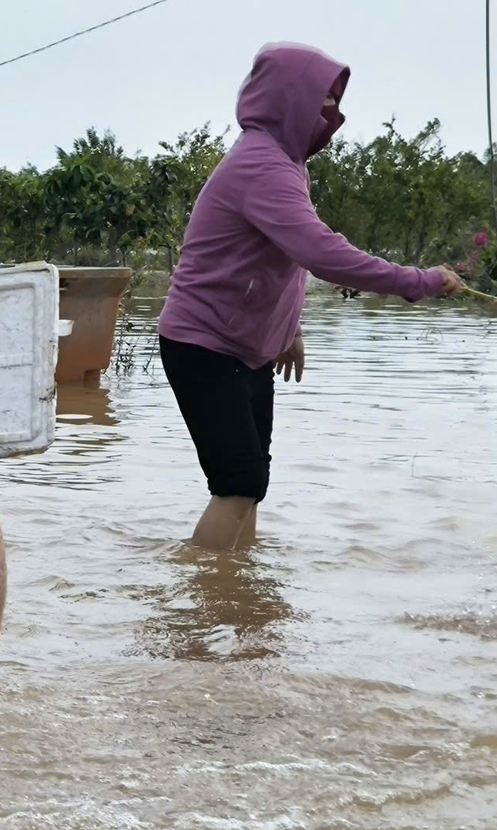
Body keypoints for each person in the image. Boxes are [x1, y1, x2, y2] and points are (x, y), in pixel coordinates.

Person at [158, 42, 463, 550]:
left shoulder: (284, 164)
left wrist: (289, 330)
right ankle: (199, 607)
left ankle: (239, 602)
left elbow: (283, 259)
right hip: (204, 345)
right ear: (288, 100)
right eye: (322, 100)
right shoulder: (262, 165)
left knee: (251, 487)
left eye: (334, 101)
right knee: (237, 483)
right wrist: (419, 280)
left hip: (246, 348)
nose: (331, 113)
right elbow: (321, 252)